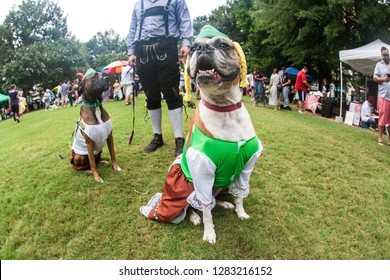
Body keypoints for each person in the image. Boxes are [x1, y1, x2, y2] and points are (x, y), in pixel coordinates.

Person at [127, 0, 193, 157]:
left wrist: (186, 43)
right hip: (142, 52)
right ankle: (158, 137)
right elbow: (133, 29)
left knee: (171, 93)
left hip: (167, 47)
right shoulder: (138, 4)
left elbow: (184, 20)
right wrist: (131, 51)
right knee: (151, 95)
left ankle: (179, 138)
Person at [373, 46, 390, 146]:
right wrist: (384, 79)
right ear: (381, 55)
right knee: (383, 117)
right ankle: (380, 138)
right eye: (384, 55)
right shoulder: (379, 65)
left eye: (387, 54)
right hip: (383, 95)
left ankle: (389, 140)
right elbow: (375, 78)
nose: (386, 56)